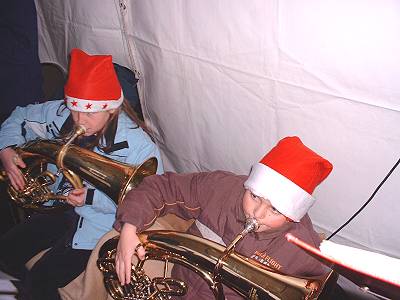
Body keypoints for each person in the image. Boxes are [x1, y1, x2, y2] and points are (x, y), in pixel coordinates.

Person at [0, 48, 164, 300]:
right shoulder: (61, 115)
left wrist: (91, 198)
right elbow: (20, 116)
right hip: (57, 207)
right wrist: (6, 149)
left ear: (111, 109)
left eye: (89, 113)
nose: (79, 121)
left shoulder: (140, 147)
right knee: (6, 253)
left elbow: (151, 202)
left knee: (40, 285)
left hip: (100, 224)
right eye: (74, 109)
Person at [113, 136, 333, 299]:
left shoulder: (304, 248)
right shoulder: (222, 188)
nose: (257, 213)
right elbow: (164, 187)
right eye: (254, 196)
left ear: (291, 217)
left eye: (275, 210)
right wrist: (130, 227)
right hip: (175, 285)